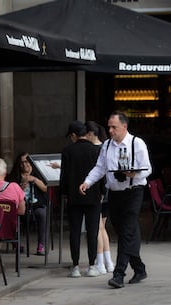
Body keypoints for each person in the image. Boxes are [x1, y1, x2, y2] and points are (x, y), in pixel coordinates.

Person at [79, 111, 152, 288]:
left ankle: (118, 274)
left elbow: (147, 169)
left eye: (114, 127)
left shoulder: (137, 143)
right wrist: (87, 182)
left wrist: (134, 172)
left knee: (126, 232)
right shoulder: (106, 146)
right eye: (110, 127)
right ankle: (140, 268)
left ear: (124, 127)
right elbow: (100, 168)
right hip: (115, 194)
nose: (110, 130)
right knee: (125, 232)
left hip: (133, 192)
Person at [60, 120, 103, 278]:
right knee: (93, 231)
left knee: (75, 232)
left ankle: (76, 266)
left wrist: (64, 194)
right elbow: (101, 173)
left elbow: (63, 176)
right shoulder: (96, 150)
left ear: (73, 135)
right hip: (93, 196)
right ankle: (92, 266)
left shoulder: (67, 151)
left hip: (74, 197)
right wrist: (102, 192)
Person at [0, 157, 26, 272]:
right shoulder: (15, 187)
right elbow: (21, 211)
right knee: (2, 224)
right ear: (5, 172)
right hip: (10, 228)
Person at [85, 121, 114, 274]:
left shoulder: (96, 149)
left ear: (90, 134)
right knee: (102, 228)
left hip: (98, 192)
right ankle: (108, 262)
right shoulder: (105, 146)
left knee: (97, 228)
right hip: (106, 191)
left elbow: (99, 172)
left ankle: (101, 262)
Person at [8, 152, 48, 256]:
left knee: (42, 214)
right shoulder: (14, 176)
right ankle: (16, 243)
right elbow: (10, 194)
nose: (25, 165)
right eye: (22, 163)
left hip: (36, 205)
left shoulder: (38, 174)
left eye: (27, 162)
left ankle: (41, 245)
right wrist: (20, 189)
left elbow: (45, 188)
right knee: (12, 216)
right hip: (20, 206)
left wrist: (33, 179)